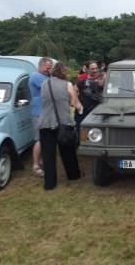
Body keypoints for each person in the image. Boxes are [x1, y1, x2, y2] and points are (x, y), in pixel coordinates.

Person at [39, 62, 83, 190]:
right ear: (64, 72)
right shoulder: (67, 84)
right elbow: (73, 102)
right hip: (64, 122)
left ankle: (50, 183)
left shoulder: (44, 84)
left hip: (45, 122)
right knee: (68, 151)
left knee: (48, 154)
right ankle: (73, 175)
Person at [28, 57, 53, 176]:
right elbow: (50, 88)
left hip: (45, 111)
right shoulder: (35, 76)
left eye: (51, 68)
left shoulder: (46, 76)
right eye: (48, 68)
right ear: (41, 65)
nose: (49, 70)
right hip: (39, 112)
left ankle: (42, 161)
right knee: (39, 139)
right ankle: (35, 165)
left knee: (45, 138)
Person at [75, 60, 105, 138]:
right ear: (87, 69)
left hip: (97, 110)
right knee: (83, 130)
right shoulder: (82, 78)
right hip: (83, 110)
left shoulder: (103, 77)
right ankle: (83, 143)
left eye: (96, 68)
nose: (95, 70)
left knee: (97, 129)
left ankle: (95, 144)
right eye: (92, 69)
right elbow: (74, 92)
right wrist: (78, 104)